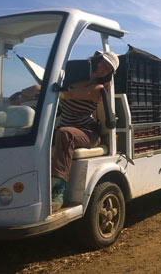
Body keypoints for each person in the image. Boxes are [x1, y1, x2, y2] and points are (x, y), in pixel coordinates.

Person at [50, 51, 119, 210]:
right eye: (103, 63)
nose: (103, 68)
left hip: (88, 133)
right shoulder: (70, 79)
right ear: (96, 60)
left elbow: (69, 95)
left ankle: (58, 192)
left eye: (108, 69)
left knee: (64, 134)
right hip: (67, 128)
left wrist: (43, 90)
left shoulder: (99, 88)